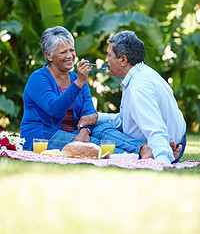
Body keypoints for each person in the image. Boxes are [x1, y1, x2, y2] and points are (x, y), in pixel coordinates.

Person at [20, 26, 154, 156]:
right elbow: (54, 109)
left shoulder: (75, 78)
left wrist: (84, 129)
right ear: (48, 55)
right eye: (63, 52)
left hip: (75, 132)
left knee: (103, 129)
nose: (70, 56)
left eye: (71, 50)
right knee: (93, 145)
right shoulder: (38, 79)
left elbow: (88, 111)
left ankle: (143, 148)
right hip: (44, 135)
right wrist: (79, 82)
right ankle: (138, 157)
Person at [78, 30, 186, 164]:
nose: (106, 60)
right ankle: (147, 151)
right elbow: (127, 120)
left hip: (171, 146)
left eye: (109, 55)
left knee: (99, 133)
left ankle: (148, 152)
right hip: (176, 140)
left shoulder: (138, 88)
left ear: (123, 59)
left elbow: (155, 128)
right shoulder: (143, 73)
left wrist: (164, 160)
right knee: (99, 127)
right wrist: (97, 117)